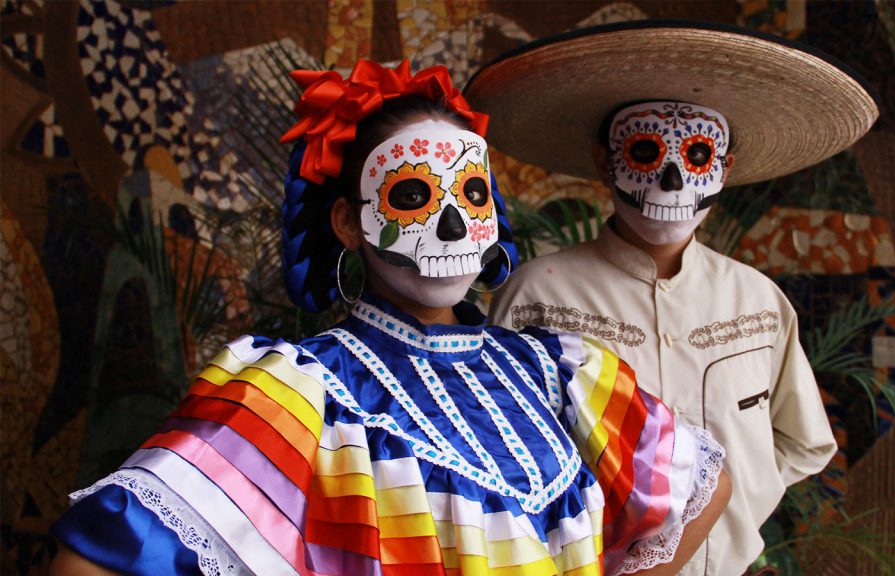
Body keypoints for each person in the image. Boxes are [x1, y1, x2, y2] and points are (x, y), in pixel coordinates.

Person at [49, 60, 731, 576]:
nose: (453, 220)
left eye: (470, 192)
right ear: (348, 221)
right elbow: (96, 557)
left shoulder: (557, 372)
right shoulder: (300, 395)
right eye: (411, 195)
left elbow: (704, 485)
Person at [467, 21, 880, 576]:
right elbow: (497, 449)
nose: (669, 179)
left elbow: (803, 441)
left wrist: (740, 502)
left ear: (725, 168)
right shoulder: (536, 296)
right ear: (603, 160)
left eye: (698, 153)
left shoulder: (758, 303)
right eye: (643, 151)